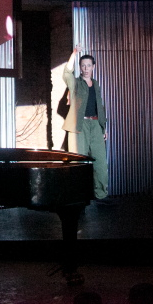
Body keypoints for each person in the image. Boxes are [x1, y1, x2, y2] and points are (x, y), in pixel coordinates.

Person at [62, 44, 108, 200]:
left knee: (100, 162)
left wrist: (103, 128)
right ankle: (77, 197)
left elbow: (100, 106)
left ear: (93, 67)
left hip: (95, 125)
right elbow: (66, 72)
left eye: (89, 65)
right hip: (78, 126)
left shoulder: (96, 84)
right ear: (80, 68)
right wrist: (74, 53)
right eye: (83, 66)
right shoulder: (75, 83)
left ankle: (101, 195)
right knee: (78, 162)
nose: (86, 68)